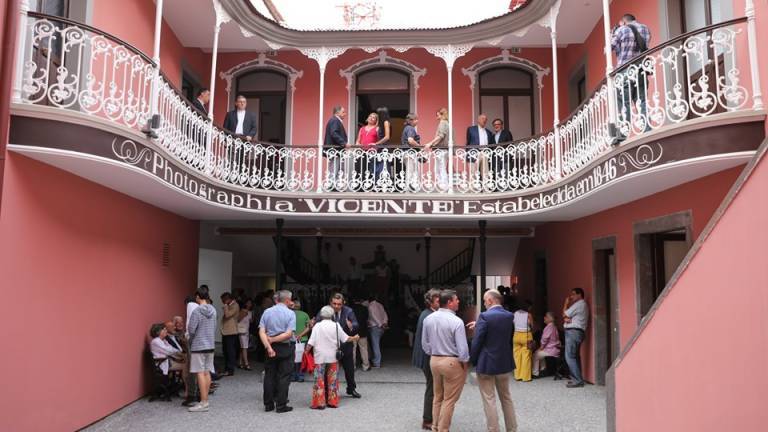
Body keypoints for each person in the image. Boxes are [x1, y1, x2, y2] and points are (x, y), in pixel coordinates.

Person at [421, 289, 470, 432]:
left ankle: (436, 426)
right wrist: (465, 363)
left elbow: (425, 344)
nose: (458, 301)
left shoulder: (428, 319)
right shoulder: (457, 321)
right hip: (452, 361)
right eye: (456, 299)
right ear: (449, 302)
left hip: (434, 360)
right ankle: (443, 429)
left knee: (438, 397)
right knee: (449, 400)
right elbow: (463, 349)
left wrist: (433, 353)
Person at [470, 289, 518, 432]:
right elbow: (506, 336)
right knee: (506, 398)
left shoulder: (484, 316)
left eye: (485, 301)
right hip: (504, 362)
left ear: (490, 300)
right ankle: (512, 428)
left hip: (487, 363)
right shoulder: (509, 316)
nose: (484, 304)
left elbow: (478, 341)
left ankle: (493, 429)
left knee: (489, 399)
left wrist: (472, 359)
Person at [306, 306, 360, 409]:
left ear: (321, 315)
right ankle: (333, 402)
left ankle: (320, 403)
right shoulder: (336, 325)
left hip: (319, 356)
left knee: (319, 380)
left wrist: (306, 351)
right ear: (331, 315)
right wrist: (355, 338)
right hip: (333, 356)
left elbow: (311, 342)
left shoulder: (317, 326)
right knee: (333, 380)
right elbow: (345, 338)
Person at [611, 13, 652, 138]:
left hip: (625, 70)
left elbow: (609, 48)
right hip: (640, 69)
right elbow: (644, 45)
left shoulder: (622, 30)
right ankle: (647, 129)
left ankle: (624, 133)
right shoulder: (645, 28)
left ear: (623, 21)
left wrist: (611, 35)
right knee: (641, 99)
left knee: (624, 101)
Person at [316, 293, 361, 398]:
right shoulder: (325, 310)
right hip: (330, 346)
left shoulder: (348, 311)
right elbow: (317, 321)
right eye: (334, 304)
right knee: (329, 369)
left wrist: (351, 326)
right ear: (330, 302)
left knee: (349, 369)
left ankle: (351, 389)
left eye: (339, 304)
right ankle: (328, 391)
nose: (336, 306)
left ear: (343, 303)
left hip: (345, 344)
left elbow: (356, 324)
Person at [258, 290, 296, 413]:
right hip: (285, 347)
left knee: (269, 375)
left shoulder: (267, 312)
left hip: (270, 347)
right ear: (287, 300)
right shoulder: (290, 314)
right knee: (284, 376)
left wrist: (269, 346)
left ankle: (268, 404)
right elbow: (289, 334)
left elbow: (261, 331)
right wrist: (274, 339)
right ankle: (281, 405)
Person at [412, 288, 440, 431]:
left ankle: (431, 417)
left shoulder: (426, 314)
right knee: (432, 388)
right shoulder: (429, 316)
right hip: (427, 357)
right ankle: (427, 419)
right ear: (430, 302)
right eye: (437, 300)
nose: (440, 302)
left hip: (424, 356)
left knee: (433, 387)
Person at [187, 286, 217, 412]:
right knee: (207, 371)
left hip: (198, 345)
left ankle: (203, 402)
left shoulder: (197, 311)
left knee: (199, 372)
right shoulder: (214, 310)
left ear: (198, 297)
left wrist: (191, 339)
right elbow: (214, 326)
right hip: (210, 344)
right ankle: (206, 401)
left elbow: (191, 330)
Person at [150, 323, 189, 401]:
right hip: (162, 364)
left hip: (168, 361)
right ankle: (187, 390)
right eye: (164, 329)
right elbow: (169, 351)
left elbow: (173, 350)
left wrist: (178, 353)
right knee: (186, 366)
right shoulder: (156, 341)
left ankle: (186, 388)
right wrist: (178, 353)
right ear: (158, 332)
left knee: (186, 363)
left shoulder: (163, 340)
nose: (166, 331)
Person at [563, 288, 589, 388]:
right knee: (575, 356)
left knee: (569, 356)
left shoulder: (579, 304)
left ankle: (577, 380)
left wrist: (566, 303)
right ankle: (577, 378)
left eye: (573, 294)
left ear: (580, 295)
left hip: (573, 332)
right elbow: (566, 318)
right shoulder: (582, 305)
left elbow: (564, 314)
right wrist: (568, 319)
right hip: (578, 332)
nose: (571, 296)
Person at [423, 108, 450, 190]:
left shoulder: (442, 122)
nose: (436, 117)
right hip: (444, 149)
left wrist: (430, 143)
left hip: (441, 149)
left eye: (437, 115)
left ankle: (443, 186)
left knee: (439, 169)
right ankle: (443, 186)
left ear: (442, 115)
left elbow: (440, 136)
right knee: (441, 168)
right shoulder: (447, 123)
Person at [323, 105, 348, 189]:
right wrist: (344, 143)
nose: (345, 113)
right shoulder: (335, 120)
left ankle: (335, 186)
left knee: (337, 168)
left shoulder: (336, 120)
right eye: (343, 112)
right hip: (335, 149)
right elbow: (334, 133)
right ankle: (330, 186)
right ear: (337, 113)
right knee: (334, 168)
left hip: (336, 150)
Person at [466, 114, 495, 186]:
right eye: (482, 118)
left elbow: (490, 145)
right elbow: (468, 142)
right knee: (473, 173)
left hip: (484, 153)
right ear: (478, 120)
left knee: (485, 173)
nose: (484, 120)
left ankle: (486, 189)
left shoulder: (489, 132)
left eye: (485, 119)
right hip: (474, 153)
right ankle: (473, 191)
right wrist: (468, 154)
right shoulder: (471, 129)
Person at [533, 312, 561, 378]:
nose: (544, 318)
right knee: (539, 353)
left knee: (535, 355)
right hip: (555, 349)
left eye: (545, 316)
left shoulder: (548, 327)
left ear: (549, 318)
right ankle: (543, 369)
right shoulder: (554, 327)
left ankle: (535, 373)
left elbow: (544, 340)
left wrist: (541, 347)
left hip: (550, 350)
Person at [512, 301, 534, 382]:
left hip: (516, 335)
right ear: (528, 307)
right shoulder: (529, 315)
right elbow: (532, 325)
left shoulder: (515, 313)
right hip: (526, 336)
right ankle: (525, 377)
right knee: (526, 356)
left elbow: (513, 323)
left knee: (517, 356)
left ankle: (517, 376)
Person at [220, 292, 240, 376]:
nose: (222, 302)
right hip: (226, 332)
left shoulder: (235, 305)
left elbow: (227, 315)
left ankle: (230, 369)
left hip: (231, 332)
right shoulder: (230, 305)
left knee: (230, 351)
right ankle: (226, 368)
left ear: (227, 299)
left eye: (223, 300)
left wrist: (225, 306)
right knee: (225, 351)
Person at [401, 112, 422, 191]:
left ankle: (410, 188)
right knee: (411, 171)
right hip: (410, 153)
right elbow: (410, 140)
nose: (417, 121)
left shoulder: (406, 128)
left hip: (406, 153)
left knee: (410, 171)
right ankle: (408, 189)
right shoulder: (410, 128)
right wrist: (419, 146)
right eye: (416, 119)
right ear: (412, 120)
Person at [356, 112, 379, 180]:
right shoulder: (362, 128)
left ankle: (371, 186)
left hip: (372, 152)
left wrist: (376, 144)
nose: (371, 118)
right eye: (370, 116)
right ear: (367, 118)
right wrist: (357, 144)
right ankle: (361, 187)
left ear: (376, 120)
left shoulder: (377, 128)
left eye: (373, 117)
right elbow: (358, 140)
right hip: (362, 152)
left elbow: (380, 141)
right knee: (361, 169)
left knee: (371, 169)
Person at [367, 296, 389, 368]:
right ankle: (374, 360)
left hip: (375, 327)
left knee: (375, 345)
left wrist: (380, 324)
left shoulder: (370, 306)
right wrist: (384, 323)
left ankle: (377, 363)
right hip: (382, 327)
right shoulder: (380, 305)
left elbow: (373, 316)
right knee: (376, 344)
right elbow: (385, 314)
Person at [293, 299, 311, 382]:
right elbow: (309, 327)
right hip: (303, 339)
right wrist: (301, 335)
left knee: (292, 358)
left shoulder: (289, 314)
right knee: (301, 358)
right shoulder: (305, 314)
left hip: (291, 339)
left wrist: (295, 335)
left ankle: (293, 376)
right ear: (300, 306)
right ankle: (300, 376)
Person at [350, 297, 371, 371]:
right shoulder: (364, 308)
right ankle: (366, 366)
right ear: (361, 300)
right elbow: (367, 318)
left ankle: (353, 366)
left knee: (352, 350)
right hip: (363, 331)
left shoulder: (350, 309)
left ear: (353, 300)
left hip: (353, 332)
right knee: (364, 349)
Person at [374, 106, 392, 180]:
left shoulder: (386, 122)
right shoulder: (380, 123)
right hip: (379, 148)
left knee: (383, 167)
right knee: (378, 168)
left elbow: (387, 137)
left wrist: (376, 143)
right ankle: (378, 185)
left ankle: (384, 186)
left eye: (378, 114)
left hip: (384, 147)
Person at [237, 298, 253, 371]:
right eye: (248, 303)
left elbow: (251, 321)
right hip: (242, 330)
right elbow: (238, 320)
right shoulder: (243, 311)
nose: (249, 304)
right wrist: (244, 314)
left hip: (246, 330)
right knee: (244, 347)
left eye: (250, 303)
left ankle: (240, 363)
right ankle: (246, 364)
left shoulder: (250, 312)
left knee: (242, 347)